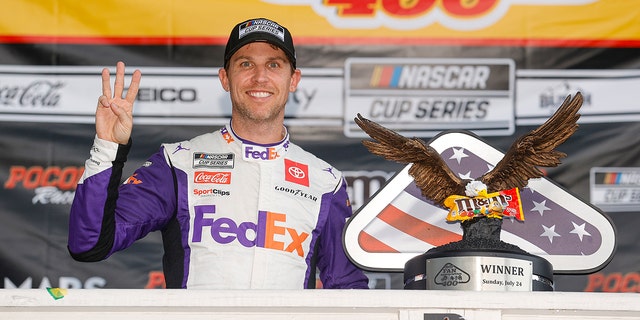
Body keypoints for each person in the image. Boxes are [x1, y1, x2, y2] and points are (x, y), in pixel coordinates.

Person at [67, 17, 370, 289]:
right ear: (225, 78)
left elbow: (348, 290)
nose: (260, 77)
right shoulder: (179, 163)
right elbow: (89, 244)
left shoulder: (324, 181)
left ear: (293, 80)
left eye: (274, 64)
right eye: (245, 64)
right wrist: (107, 146)